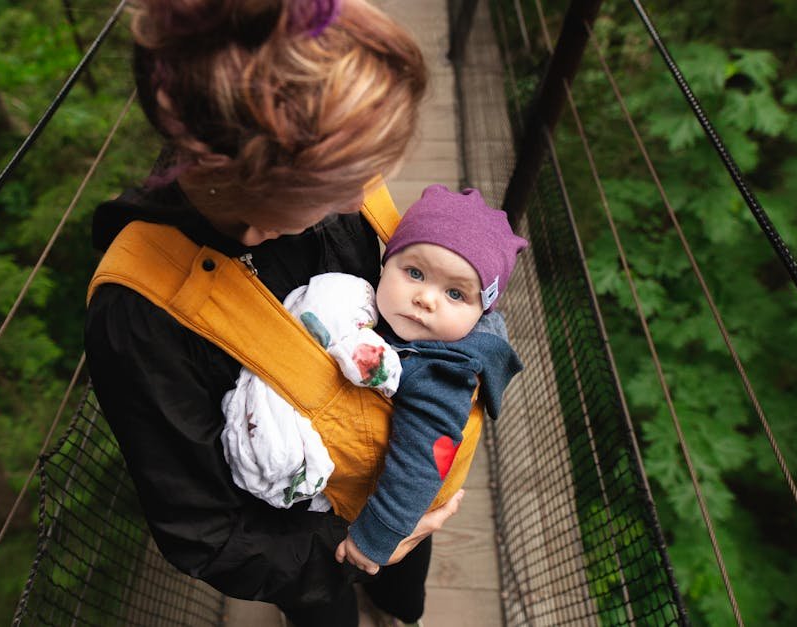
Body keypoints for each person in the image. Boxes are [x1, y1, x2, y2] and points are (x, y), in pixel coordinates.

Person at [84, 1, 459, 625]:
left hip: (398, 471)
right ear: (254, 181)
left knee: (403, 591)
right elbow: (205, 531)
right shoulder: (140, 317)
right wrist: (354, 549)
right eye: (339, 184)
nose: (363, 194)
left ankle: (398, 609)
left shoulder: (330, 189)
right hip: (303, 545)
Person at [219, 184, 526, 573]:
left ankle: (398, 601)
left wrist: (378, 538)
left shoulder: (442, 373)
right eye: (414, 272)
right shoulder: (390, 321)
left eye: (455, 294)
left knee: (401, 582)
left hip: (393, 512)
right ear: (387, 262)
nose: (426, 298)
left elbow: (424, 459)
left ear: (481, 312)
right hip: (370, 491)